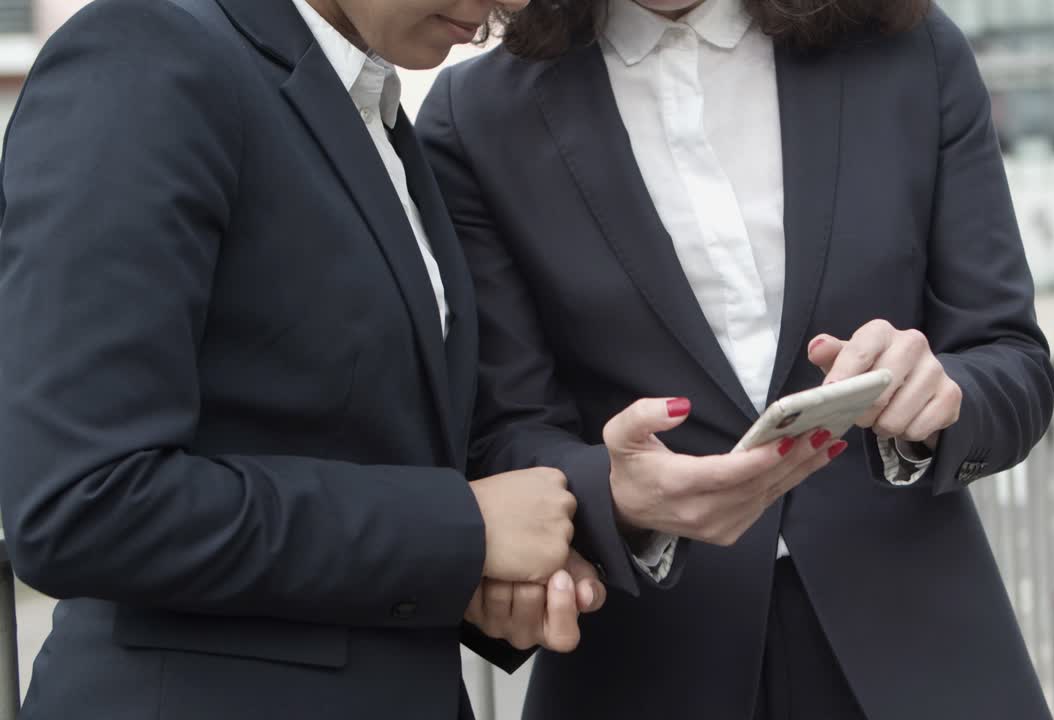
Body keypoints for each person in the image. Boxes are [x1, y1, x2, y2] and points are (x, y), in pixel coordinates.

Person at [0, 0, 648, 716]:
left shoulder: (371, 111)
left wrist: (484, 573)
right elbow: (83, 504)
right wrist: (460, 530)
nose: (515, 4)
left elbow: (374, 445)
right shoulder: (145, 58)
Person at [416, 0, 1054, 716]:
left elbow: (1013, 359)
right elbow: (505, 433)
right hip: (645, 666)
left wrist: (944, 398)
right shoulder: (472, 118)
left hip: (922, 655)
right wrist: (615, 490)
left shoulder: (910, 48)